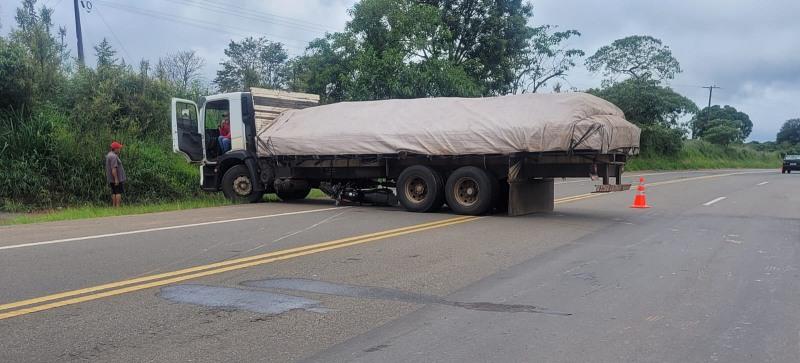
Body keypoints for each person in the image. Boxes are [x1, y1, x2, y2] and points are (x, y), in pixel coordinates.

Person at [105, 141, 127, 207]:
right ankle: (118, 207)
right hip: (116, 178)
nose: (120, 149)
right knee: (118, 192)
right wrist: (116, 179)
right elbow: (114, 169)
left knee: (114, 192)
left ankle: (114, 206)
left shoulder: (109, 155)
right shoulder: (113, 156)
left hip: (111, 178)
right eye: (119, 148)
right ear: (115, 149)